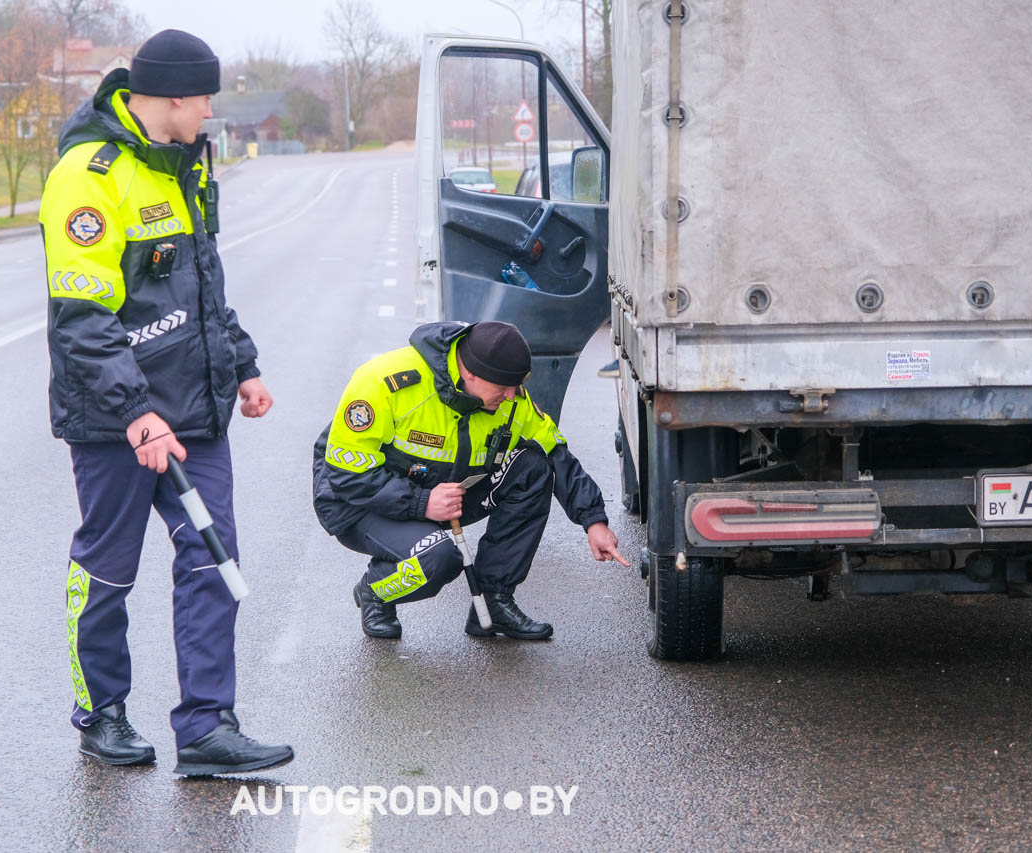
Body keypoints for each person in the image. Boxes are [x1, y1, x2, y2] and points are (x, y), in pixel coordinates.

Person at [40, 29, 292, 776]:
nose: (211, 111)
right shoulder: (88, 176)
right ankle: (101, 714)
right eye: (205, 97)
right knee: (108, 570)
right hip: (115, 419)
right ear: (175, 96)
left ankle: (208, 727)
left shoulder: (185, 166)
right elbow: (82, 319)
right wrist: (134, 412)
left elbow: (204, 284)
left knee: (213, 559)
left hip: (195, 416)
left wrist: (243, 364)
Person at [312, 321, 629, 640]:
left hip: (444, 492)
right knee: (438, 559)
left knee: (532, 468)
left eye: (515, 385)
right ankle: (375, 592)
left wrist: (593, 520)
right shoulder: (385, 383)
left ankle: (494, 603)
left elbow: (555, 452)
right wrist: (423, 503)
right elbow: (346, 475)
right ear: (471, 373)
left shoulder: (509, 399)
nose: (510, 395)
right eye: (503, 386)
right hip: (356, 501)